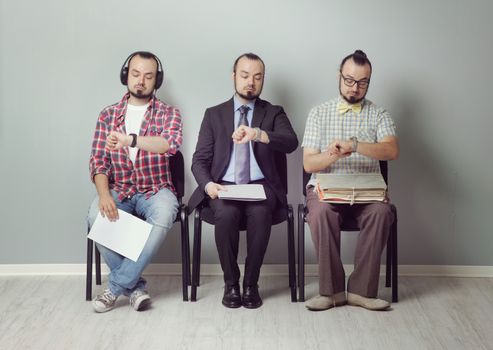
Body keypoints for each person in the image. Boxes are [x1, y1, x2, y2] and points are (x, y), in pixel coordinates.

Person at [189, 53, 298, 309]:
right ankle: (231, 284)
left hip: (261, 187)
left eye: (257, 77)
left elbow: (291, 142)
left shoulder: (273, 113)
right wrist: (208, 185)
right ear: (234, 76)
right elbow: (198, 160)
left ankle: (251, 284)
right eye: (245, 75)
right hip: (223, 186)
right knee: (225, 215)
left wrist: (258, 134)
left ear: (262, 80)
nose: (251, 82)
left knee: (260, 214)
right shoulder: (214, 115)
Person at [302, 50, 399, 311]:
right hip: (327, 191)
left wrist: (355, 145)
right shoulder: (319, 113)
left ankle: (361, 292)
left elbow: (391, 150)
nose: (355, 88)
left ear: (369, 81)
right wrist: (333, 153)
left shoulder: (379, 114)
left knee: (382, 212)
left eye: (362, 82)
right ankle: (331, 292)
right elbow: (308, 163)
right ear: (339, 76)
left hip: (366, 195)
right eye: (349, 80)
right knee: (320, 211)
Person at [87, 51, 182, 313]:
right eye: (136, 74)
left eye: (148, 76)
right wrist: (105, 195)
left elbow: (169, 145)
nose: (141, 81)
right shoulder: (108, 115)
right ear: (126, 75)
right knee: (95, 214)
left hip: (156, 189)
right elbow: (98, 161)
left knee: (165, 213)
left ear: (156, 81)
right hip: (120, 189)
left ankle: (115, 287)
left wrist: (131, 140)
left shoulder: (168, 113)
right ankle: (135, 287)